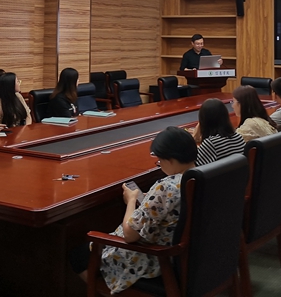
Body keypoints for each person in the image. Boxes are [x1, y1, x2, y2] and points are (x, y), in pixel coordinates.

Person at [71, 126, 197, 293]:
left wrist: (131, 200)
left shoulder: (166, 187)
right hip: (190, 259)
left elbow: (130, 235)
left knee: (78, 256)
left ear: (171, 160)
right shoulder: (201, 176)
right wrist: (148, 200)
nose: (159, 165)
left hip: (156, 261)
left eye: (159, 160)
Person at [192, 98, 245, 166]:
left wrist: (193, 140)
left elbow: (194, 169)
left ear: (204, 121)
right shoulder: (238, 137)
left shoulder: (211, 144)